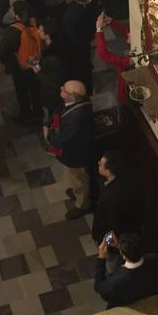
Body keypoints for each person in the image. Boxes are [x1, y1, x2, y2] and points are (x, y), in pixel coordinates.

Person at [46, 79, 95, 218]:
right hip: (71, 152)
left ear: (72, 97)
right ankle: (77, 191)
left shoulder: (77, 116)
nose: (61, 88)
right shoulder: (72, 102)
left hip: (76, 155)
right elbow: (58, 112)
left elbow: (63, 140)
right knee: (73, 177)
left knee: (79, 178)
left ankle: (82, 203)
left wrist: (48, 136)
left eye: (64, 89)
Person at [0, 0, 43, 125]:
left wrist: (6, 62)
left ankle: (26, 114)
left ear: (17, 15)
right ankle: (38, 113)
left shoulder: (13, 30)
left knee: (22, 91)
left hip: (20, 66)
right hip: (35, 62)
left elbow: (2, 51)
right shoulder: (36, 23)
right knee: (36, 89)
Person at [94, 232, 158, 309]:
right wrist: (120, 247)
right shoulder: (154, 259)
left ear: (122, 254)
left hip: (125, 305)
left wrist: (101, 258)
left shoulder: (117, 280)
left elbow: (98, 287)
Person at [91, 151, 144, 242]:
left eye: (101, 164)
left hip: (114, 237)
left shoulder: (111, 197)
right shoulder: (125, 179)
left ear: (108, 171)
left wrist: (107, 242)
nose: (98, 163)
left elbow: (111, 226)